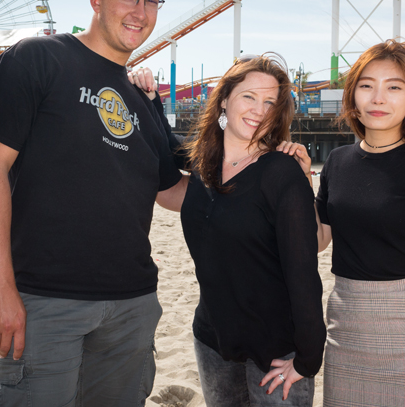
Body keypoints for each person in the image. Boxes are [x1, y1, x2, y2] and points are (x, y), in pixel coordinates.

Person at [0, 0, 182, 407]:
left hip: (132, 305)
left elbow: (170, 191)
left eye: (151, 0)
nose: (140, 10)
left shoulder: (143, 100)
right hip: (46, 299)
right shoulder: (38, 58)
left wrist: (257, 170)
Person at [132, 54, 325, 405]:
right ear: (224, 100)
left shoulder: (282, 173)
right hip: (212, 339)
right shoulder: (204, 163)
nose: (259, 110)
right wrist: (150, 98)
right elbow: (165, 145)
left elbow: (303, 272)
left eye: (270, 102)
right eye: (249, 96)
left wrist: (308, 359)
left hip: (277, 349)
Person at [303, 40, 405, 407]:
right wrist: (301, 186)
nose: (378, 98)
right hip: (345, 327)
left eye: (393, 87)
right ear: (352, 97)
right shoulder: (338, 162)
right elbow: (318, 240)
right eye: (366, 85)